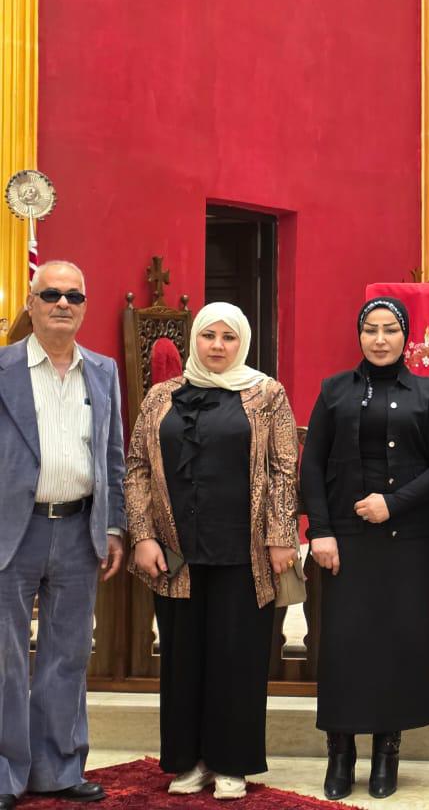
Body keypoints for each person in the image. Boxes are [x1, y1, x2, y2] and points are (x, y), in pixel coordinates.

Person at [124, 302, 299, 801]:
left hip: (245, 551)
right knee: (183, 657)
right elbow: (137, 467)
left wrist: (281, 534)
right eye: (208, 335)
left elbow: (284, 467)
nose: (217, 345)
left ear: (242, 342)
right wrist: (143, 535)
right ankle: (189, 760)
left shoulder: (267, 393)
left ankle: (231, 762)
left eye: (228, 337)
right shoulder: (161, 397)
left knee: (236, 656)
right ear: (194, 340)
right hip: (176, 552)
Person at [300, 297, 429, 801]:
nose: (380, 339)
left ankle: (388, 751)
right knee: (344, 646)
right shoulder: (334, 390)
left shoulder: (428, 392)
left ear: (406, 336)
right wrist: (319, 530)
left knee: (397, 644)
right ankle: (340, 752)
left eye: (390, 330)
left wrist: (394, 503)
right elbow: (313, 464)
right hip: (344, 541)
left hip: (405, 541)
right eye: (370, 329)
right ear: (359, 335)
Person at [0, 261, 125, 809]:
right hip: (12, 531)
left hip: (78, 530)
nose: (62, 304)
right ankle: (4, 773)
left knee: (67, 655)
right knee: (4, 657)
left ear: (84, 306)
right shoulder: (3, 367)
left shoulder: (102, 371)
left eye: (74, 296)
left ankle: (57, 769)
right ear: (31, 304)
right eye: (50, 294)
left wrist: (114, 525)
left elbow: (113, 455)